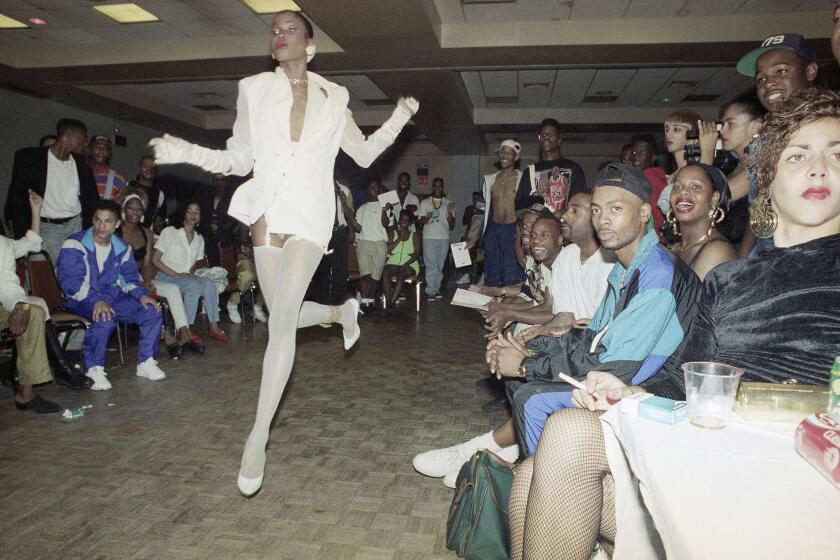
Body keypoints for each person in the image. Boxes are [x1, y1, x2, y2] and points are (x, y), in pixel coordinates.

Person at [509, 88, 840, 560]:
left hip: (799, 480)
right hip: (713, 455)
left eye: (836, 154)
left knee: (555, 436)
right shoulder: (731, 280)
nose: (818, 167)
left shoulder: (681, 267)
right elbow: (688, 377)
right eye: (797, 155)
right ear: (767, 176)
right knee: (535, 467)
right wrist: (632, 394)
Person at [149, 9, 418, 497]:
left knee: (281, 321)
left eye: (289, 28)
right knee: (282, 315)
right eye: (274, 30)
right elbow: (240, 157)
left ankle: (257, 437)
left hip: (312, 214)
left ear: (310, 43)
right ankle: (340, 310)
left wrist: (399, 117)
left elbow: (361, 153)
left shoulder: (335, 97)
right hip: (267, 210)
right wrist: (189, 151)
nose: (279, 35)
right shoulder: (253, 88)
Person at [413, 163, 700, 486]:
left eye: (616, 209)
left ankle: (540, 487)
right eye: (596, 210)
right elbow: (591, 336)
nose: (602, 219)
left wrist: (526, 366)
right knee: (523, 364)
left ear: (645, 213)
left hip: (660, 389)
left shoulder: (656, 273)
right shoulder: (625, 267)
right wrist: (528, 351)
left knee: (531, 396)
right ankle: (523, 460)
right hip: (623, 372)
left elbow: (619, 367)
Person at [57, 200, 167, 390]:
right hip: (80, 298)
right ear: (92, 219)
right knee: (104, 316)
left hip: (111, 296)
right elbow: (70, 283)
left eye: (108, 221)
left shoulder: (122, 248)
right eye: (98, 220)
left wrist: (141, 295)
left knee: (151, 310)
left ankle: (146, 362)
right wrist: (96, 300)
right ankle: (93, 368)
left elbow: (129, 279)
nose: (101, 226)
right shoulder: (74, 244)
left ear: (117, 223)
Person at [6, 190, 91, 413]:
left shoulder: (2, 245)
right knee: (35, 305)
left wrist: (36, 210)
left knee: (33, 310)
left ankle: (26, 393)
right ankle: (61, 367)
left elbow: (31, 244)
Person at [734, 33, 818, 257]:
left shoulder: (829, 132)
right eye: (761, 78)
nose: (769, 83)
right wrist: (743, 263)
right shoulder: (762, 143)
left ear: (810, 72)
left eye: (780, 71)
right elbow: (759, 211)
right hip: (768, 261)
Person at [518, 192, 615, 342]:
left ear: (595, 218)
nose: (564, 216)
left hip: (597, 345)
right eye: (567, 209)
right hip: (574, 340)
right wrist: (539, 331)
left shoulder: (610, 263)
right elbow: (565, 315)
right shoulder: (567, 256)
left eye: (574, 211)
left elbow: (601, 327)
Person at [118, 191, 204, 357]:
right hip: (120, 281)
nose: (135, 212)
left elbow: (148, 263)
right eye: (131, 208)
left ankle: (184, 333)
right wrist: (139, 285)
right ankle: (170, 338)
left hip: (141, 278)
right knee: (152, 298)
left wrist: (148, 282)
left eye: (139, 209)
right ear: (124, 210)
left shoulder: (147, 233)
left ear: (143, 213)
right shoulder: (115, 233)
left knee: (172, 289)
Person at [7, 118, 99, 263]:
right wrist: (21, 236)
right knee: (40, 276)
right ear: (67, 136)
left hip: (75, 227)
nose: (85, 144)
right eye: (82, 138)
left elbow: (93, 202)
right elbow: (17, 199)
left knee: (70, 276)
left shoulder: (83, 167)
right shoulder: (30, 159)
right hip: (45, 228)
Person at [152, 201, 228, 343]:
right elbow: (155, 260)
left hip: (184, 277)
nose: (193, 215)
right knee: (194, 286)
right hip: (166, 276)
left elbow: (193, 263)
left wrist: (191, 273)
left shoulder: (199, 238)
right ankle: (186, 329)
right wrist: (176, 274)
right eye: (189, 211)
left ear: (200, 216)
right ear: (183, 213)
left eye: (197, 212)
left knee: (209, 283)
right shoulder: (169, 232)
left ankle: (213, 326)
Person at [665, 164, 736, 280]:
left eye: (696, 187)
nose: (682, 192)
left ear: (714, 199)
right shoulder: (675, 248)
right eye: (676, 187)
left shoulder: (717, 251)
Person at [478, 139, 526, 288]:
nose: (505, 155)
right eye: (502, 152)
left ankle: (509, 304)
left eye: (509, 152)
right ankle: (491, 304)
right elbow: (480, 209)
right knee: (491, 267)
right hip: (494, 228)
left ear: (516, 157)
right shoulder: (490, 179)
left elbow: (528, 208)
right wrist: (472, 237)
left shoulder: (523, 178)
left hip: (513, 229)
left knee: (511, 268)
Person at [515, 119, 587, 213]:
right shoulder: (530, 171)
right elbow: (520, 205)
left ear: (559, 140)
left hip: (565, 225)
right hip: (539, 225)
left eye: (551, 134)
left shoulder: (573, 168)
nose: (546, 137)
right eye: (543, 135)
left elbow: (582, 203)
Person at [353, 180, 390, 310]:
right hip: (364, 243)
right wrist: (350, 218)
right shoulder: (362, 208)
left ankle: (371, 299)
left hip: (379, 243)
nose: (373, 189)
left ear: (380, 190)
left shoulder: (384, 206)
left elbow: (386, 224)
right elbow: (358, 228)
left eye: (375, 187)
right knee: (365, 275)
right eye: (370, 186)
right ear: (367, 190)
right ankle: (364, 301)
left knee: (375, 276)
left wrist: (384, 211)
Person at [417, 178, 454, 301]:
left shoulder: (449, 203)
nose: (438, 188)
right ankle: (430, 291)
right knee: (430, 265)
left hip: (443, 237)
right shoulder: (425, 202)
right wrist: (425, 219)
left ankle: (436, 289)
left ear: (443, 188)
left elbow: (452, 224)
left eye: (440, 186)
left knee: (439, 265)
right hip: (429, 237)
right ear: (432, 187)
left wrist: (449, 212)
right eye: (435, 186)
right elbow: (419, 221)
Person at [628, 133, 669, 243]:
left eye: (642, 152)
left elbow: (655, 216)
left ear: (653, 157)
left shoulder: (648, 178)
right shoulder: (657, 176)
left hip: (652, 241)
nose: (636, 156)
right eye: (634, 152)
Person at [380, 210, 420, 307]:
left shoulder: (414, 235)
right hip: (393, 262)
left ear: (410, 223)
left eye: (406, 221)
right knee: (385, 273)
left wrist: (406, 264)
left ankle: (390, 304)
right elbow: (387, 249)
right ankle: (391, 302)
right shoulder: (392, 233)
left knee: (402, 273)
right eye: (401, 220)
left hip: (410, 264)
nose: (403, 223)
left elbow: (416, 254)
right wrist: (399, 239)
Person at [88, 134, 128, 202]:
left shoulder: (119, 178)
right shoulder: (80, 174)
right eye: (98, 147)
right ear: (90, 150)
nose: (101, 151)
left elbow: (121, 207)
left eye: (106, 149)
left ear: (109, 154)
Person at [129, 155, 167, 226]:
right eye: (145, 166)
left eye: (153, 167)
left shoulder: (159, 194)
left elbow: (160, 219)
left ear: (156, 171)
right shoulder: (128, 187)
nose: (149, 169)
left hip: (146, 234)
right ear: (139, 168)